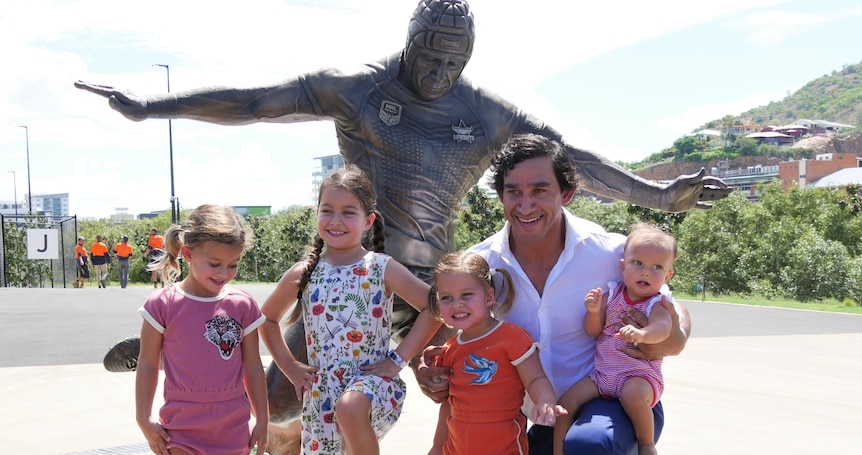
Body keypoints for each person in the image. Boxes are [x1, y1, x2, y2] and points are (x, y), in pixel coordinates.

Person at [76, 0, 726, 417]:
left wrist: (661, 197)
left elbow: (572, 161)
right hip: (356, 272)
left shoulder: (485, 110)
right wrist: (148, 106)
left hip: (435, 286)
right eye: (431, 53)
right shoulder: (358, 86)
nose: (441, 68)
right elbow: (252, 102)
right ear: (410, 41)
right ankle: (187, 349)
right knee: (278, 402)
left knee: (490, 384)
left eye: (455, 57)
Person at [419, 134, 689, 455]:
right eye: (513, 191)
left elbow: (674, 316)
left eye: (540, 189)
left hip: (608, 410)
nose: (525, 204)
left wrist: (665, 340)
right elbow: (445, 338)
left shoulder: (611, 253)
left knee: (590, 444)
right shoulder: (481, 267)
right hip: (530, 431)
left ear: (567, 193)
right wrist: (429, 376)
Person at [258, 165, 441, 455]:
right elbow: (267, 320)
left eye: (348, 212)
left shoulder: (380, 268)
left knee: (352, 405)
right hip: (322, 395)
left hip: (372, 385)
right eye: (328, 209)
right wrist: (290, 368)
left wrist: (400, 358)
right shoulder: (303, 274)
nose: (336, 220)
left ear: (368, 220)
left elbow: (434, 307)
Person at [135, 204, 268, 455]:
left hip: (231, 423)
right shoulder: (162, 305)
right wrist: (143, 419)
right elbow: (147, 365)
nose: (224, 273)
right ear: (189, 253)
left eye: (233, 265)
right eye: (214, 264)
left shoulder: (241, 305)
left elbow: (253, 366)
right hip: (181, 425)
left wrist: (263, 418)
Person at [423, 251, 565, 455]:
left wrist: (544, 401)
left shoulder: (511, 337)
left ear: (489, 297)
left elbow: (536, 378)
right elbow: (448, 402)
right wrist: (437, 446)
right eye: (447, 298)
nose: (456, 305)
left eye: (466, 295)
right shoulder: (450, 350)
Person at [538, 223, 678, 455]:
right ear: (623, 266)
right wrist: (593, 312)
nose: (646, 271)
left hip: (638, 375)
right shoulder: (612, 293)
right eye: (638, 263)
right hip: (602, 375)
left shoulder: (656, 303)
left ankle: (646, 442)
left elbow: (663, 329)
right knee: (566, 402)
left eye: (657, 267)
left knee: (633, 396)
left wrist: (643, 334)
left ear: (667, 275)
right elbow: (593, 332)